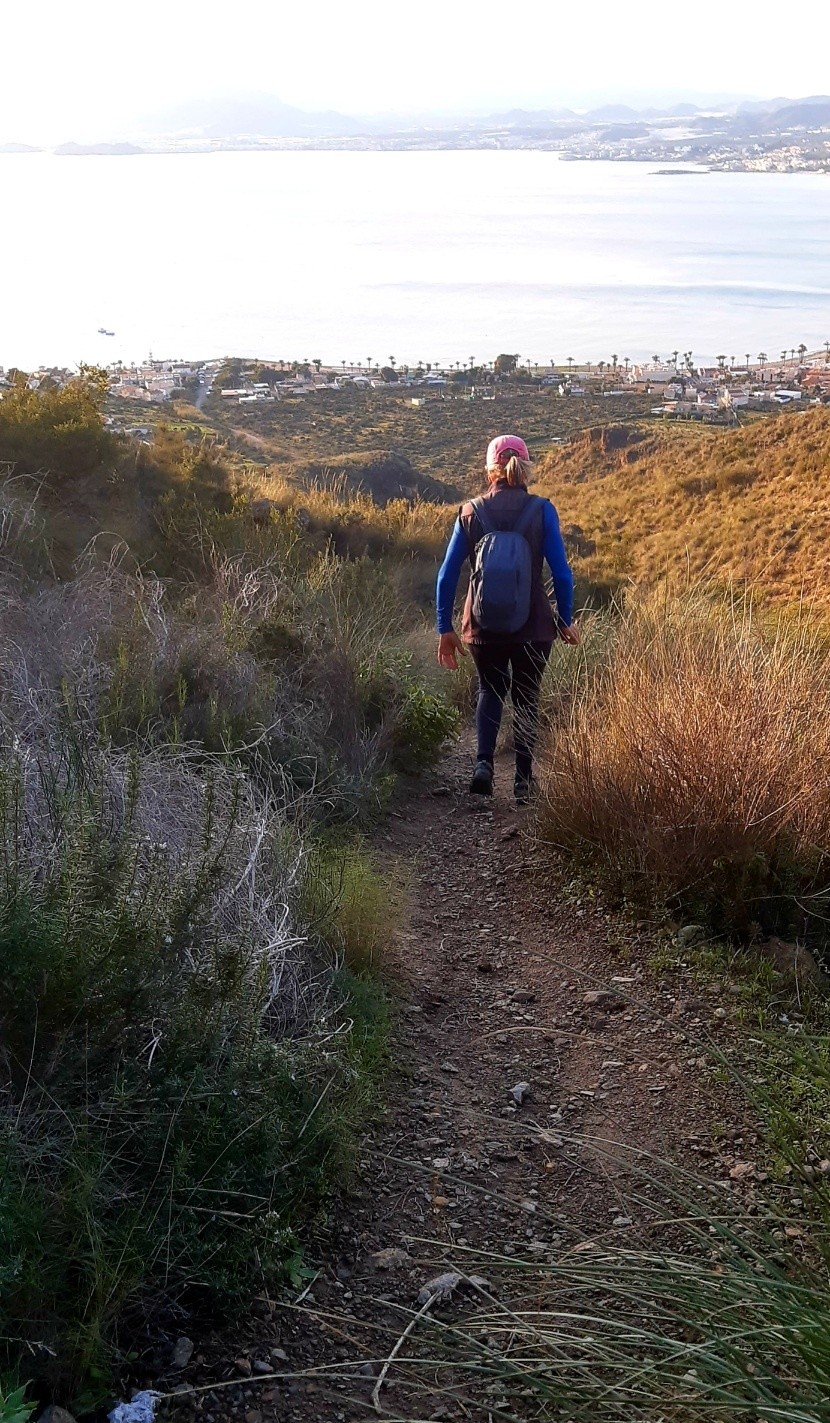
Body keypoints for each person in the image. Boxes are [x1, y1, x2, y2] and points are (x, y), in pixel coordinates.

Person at [435, 434, 579, 803]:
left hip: (482, 625)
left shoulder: (470, 511)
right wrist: (565, 619)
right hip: (533, 627)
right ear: (526, 468)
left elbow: (447, 574)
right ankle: (523, 780)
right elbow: (561, 573)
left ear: (489, 471)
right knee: (527, 696)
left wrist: (444, 628)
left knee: (489, 690)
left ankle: (483, 765)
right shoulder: (542, 510)